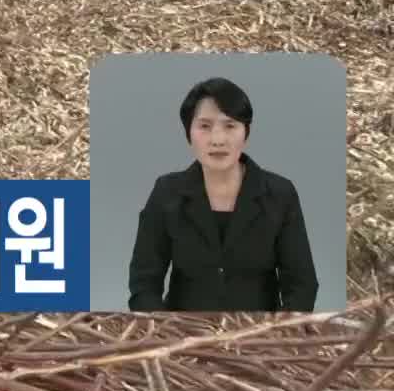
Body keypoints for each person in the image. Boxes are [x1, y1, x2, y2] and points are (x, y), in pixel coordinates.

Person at [127, 77, 319, 311]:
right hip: (183, 335)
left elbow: (302, 285)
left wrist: (280, 333)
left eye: (230, 125)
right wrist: (164, 333)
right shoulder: (166, 192)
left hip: (261, 337)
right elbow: (144, 283)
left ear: (246, 132)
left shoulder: (280, 194)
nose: (217, 139)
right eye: (204, 126)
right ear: (189, 133)